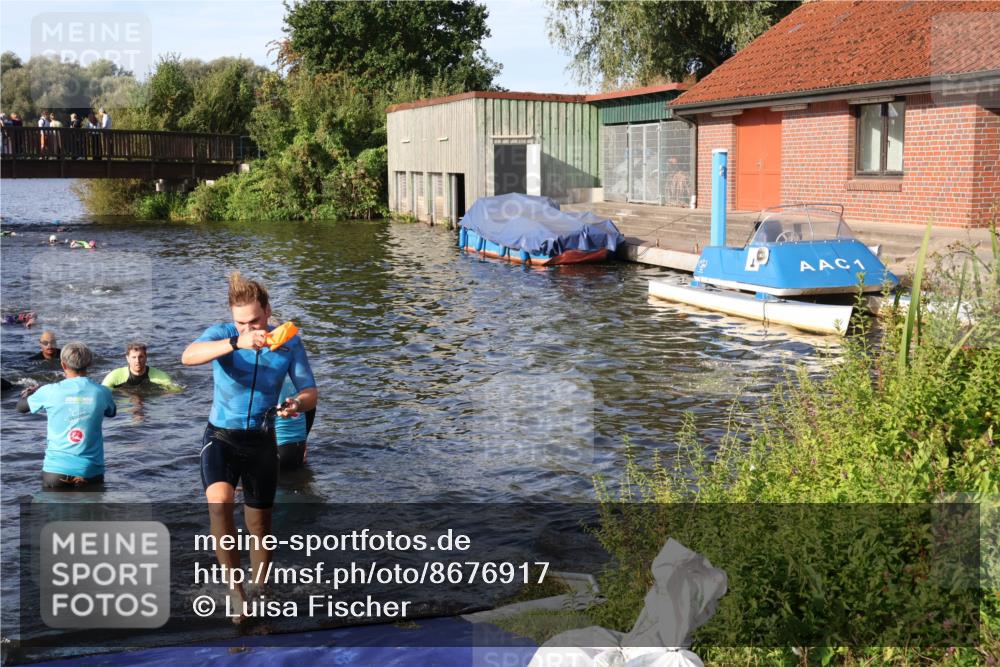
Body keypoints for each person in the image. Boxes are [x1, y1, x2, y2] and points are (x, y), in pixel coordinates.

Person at [181, 272, 317, 619]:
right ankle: (236, 591)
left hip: (261, 441)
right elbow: (189, 356)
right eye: (240, 322)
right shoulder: (224, 336)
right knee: (220, 501)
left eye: (254, 321)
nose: (248, 328)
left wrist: (296, 405)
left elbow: (309, 392)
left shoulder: (288, 343)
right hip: (221, 437)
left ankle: (262, 588)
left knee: (260, 526)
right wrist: (234, 344)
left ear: (268, 311)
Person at [16, 342, 117, 489]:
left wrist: (30, 393)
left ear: (63, 365)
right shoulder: (102, 392)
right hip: (91, 471)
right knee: (92, 512)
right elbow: (111, 412)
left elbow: (20, 408)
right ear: (89, 363)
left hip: (56, 471)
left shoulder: (49, 391)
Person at [274, 377, 316, 469]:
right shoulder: (299, 372)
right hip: (297, 449)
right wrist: (304, 440)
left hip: (274, 449)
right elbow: (311, 405)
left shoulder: (258, 372)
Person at [102, 341, 180, 390]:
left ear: (146, 357)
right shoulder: (115, 376)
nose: (137, 361)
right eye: (134, 357)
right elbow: (101, 393)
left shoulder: (160, 376)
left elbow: (176, 391)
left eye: (141, 357)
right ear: (127, 358)